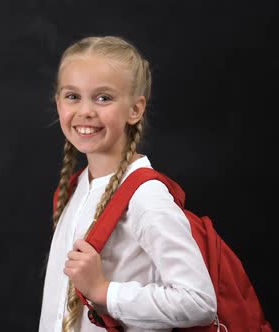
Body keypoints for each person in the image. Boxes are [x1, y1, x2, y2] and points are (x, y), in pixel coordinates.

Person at [38, 35, 217, 332]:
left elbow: (199, 302)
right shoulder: (77, 188)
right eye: (73, 96)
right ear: (58, 104)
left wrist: (103, 290)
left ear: (135, 109)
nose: (85, 111)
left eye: (103, 98)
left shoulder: (146, 197)